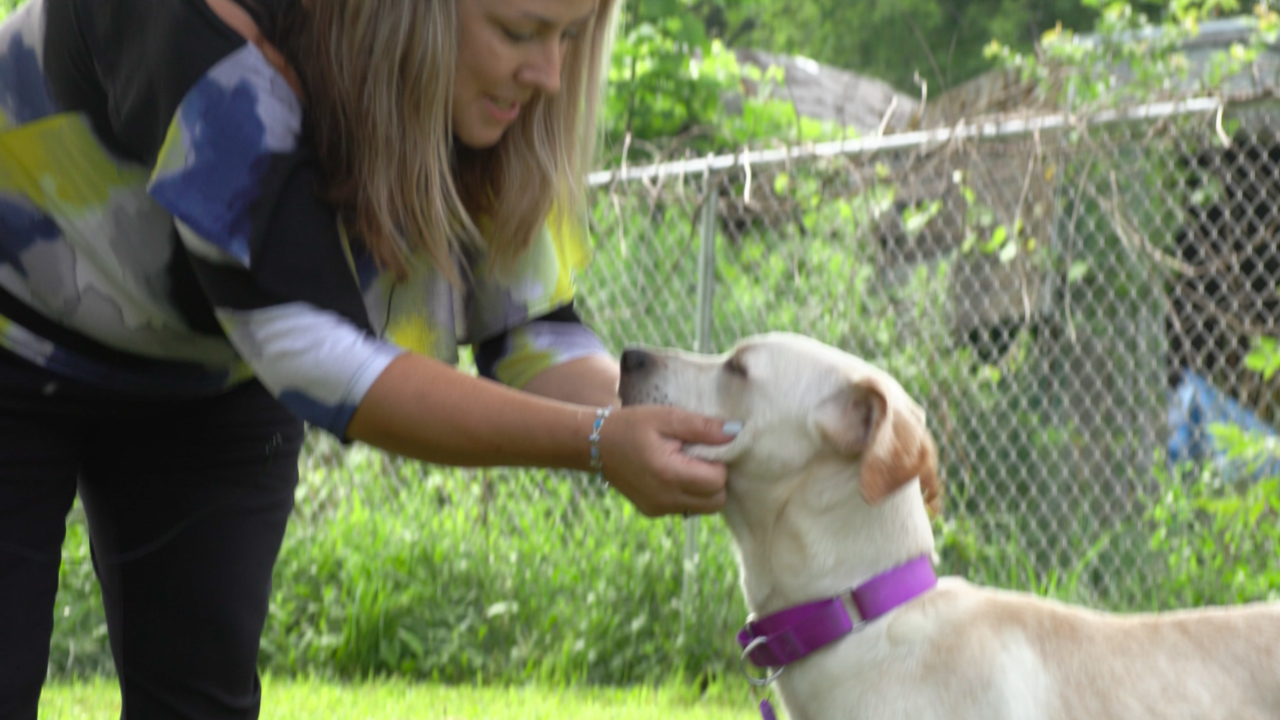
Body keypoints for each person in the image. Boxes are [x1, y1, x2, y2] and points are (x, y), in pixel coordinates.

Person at [0, 0, 735, 717]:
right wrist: (602, 445)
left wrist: (701, 429)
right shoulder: (204, 23)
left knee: (200, 693)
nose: (549, 73)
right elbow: (318, 356)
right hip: (13, 337)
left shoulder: (484, 96)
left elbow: (534, 336)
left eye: (571, 37)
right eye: (520, 31)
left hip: (215, 376)